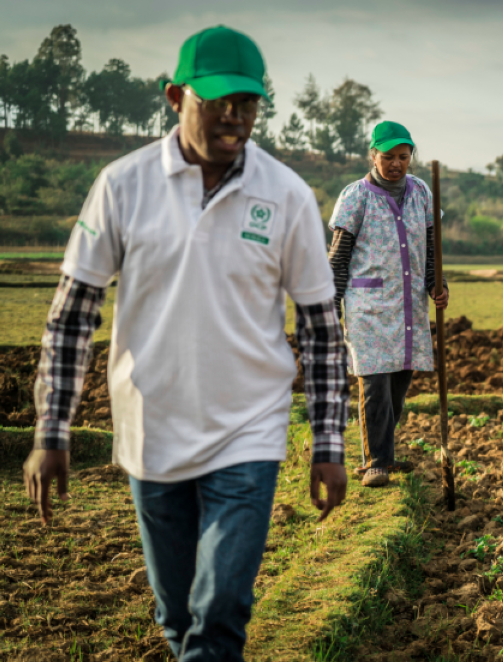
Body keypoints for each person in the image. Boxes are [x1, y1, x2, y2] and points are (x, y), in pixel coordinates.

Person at [22, 25, 350, 661]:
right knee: (179, 618)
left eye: (248, 103)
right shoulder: (124, 184)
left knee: (220, 611)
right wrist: (50, 431)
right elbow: (72, 314)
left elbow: (319, 329)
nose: (234, 117)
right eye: (219, 101)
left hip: (247, 431)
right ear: (176, 97)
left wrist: (328, 445)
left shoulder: (285, 196)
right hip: (152, 430)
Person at [329, 121, 448, 488]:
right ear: (373, 156)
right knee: (375, 382)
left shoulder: (422, 193)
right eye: (388, 156)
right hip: (368, 305)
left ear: (411, 157)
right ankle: (377, 462)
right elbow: (338, 257)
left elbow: (432, 247)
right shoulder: (355, 197)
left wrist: (436, 283)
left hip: (408, 305)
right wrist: (330, 306)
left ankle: (382, 450)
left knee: (399, 381)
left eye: (402, 156)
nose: (396, 163)